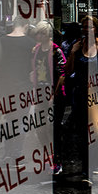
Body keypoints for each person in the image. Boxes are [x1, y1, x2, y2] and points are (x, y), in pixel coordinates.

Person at [66, 15, 98, 181]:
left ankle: (97, 161)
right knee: (81, 131)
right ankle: (88, 167)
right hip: (80, 94)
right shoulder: (77, 46)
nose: (87, 30)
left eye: (91, 27)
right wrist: (72, 53)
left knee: (95, 130)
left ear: (96, 28)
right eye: (84, 27)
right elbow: (68, 71)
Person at [31, 20, 66, 175]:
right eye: (37, 33)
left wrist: (54, 93)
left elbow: (62, 74)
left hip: (53, 93)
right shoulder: (36, 49)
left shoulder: (56, 51)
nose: (38, 35)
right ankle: (49, 156)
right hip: (39, 91)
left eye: (41, 33)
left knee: (52, 127)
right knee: (40, 127)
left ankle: (57, 160)